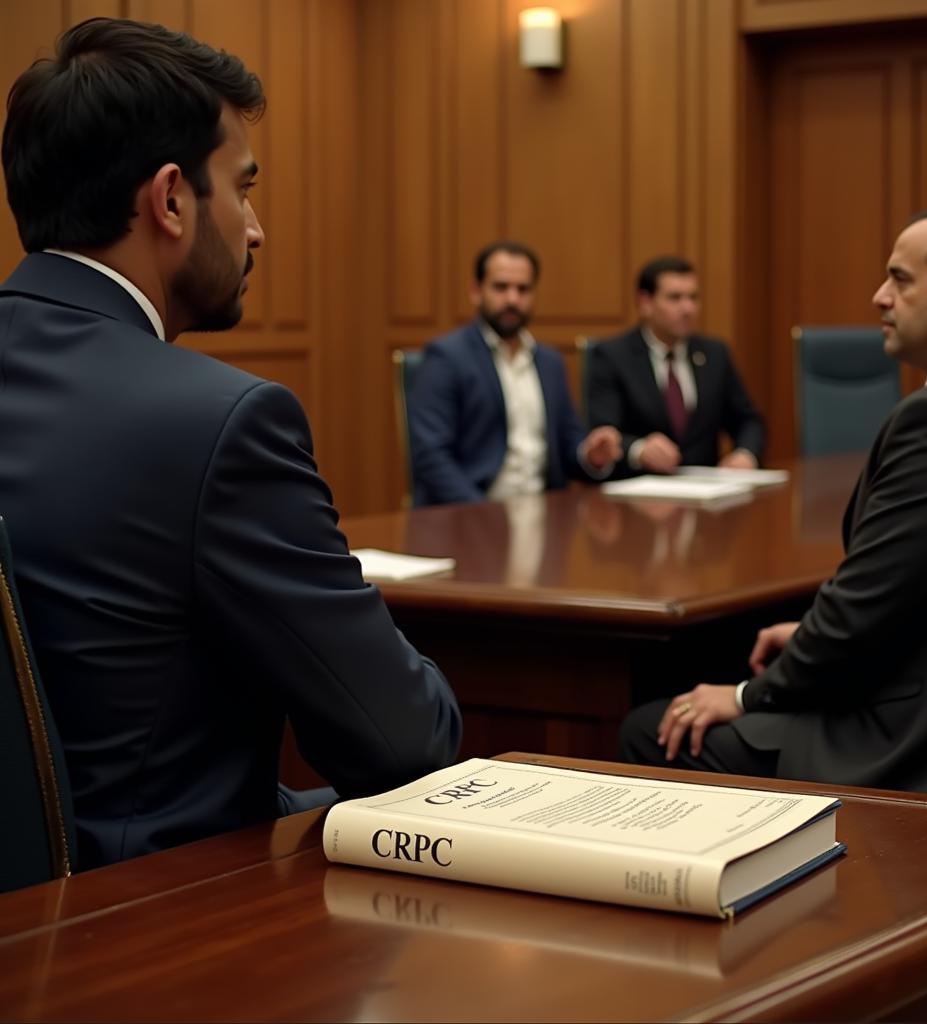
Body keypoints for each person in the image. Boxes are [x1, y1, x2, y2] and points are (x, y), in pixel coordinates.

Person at [0, 17, 461, 869]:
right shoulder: (220, 421)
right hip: (155, 925)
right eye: (242, 188)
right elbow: (403, 745)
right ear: (171, 199)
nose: (255, 230)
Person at [620, 209, 927, 797]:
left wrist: (741, 696)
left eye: (900, 279)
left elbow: (864, 612)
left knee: (650, 729)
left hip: (918, 738)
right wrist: (814, 629)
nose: (879, 296)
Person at [408, 241, 622, 506]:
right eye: (501, 287)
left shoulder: (550, 362)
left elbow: (568, 443)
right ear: (476, 291)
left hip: (543, 517)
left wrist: (589, 455)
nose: (512, 299)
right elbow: (431, 456)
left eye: (523, 289)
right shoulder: (446, 357)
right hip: (469, 517)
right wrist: (481, 514)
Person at [587, 256, 764, 475]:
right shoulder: (611, 356)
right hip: (640, 492)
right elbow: (602, 434)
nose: (688, 308)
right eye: (675, 298)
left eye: (693, 297)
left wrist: (745, 453)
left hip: (705, 490)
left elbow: (748, 420)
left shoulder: (715, 354)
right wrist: (638, 450)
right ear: (645, 303)